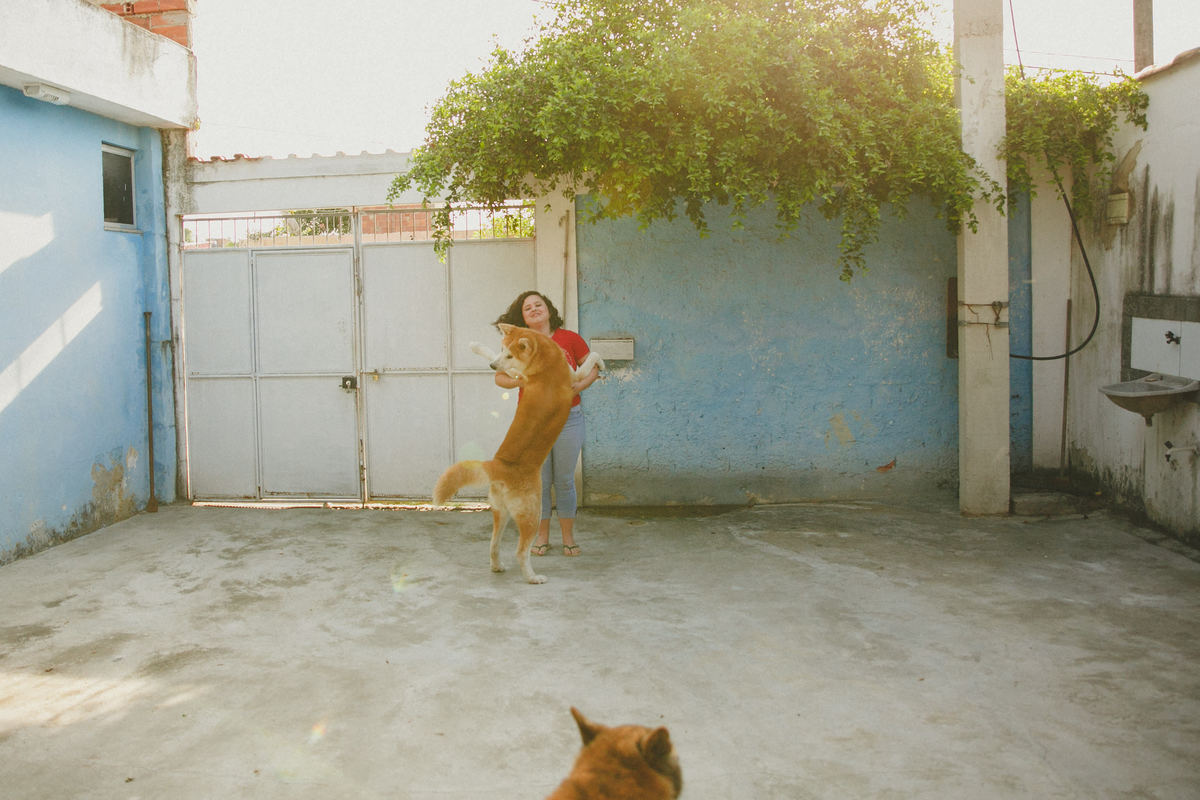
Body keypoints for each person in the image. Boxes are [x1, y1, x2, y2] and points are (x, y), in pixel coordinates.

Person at [492, 290, 599, 557]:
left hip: (568, 419)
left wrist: (575, 390)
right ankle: (541, 537)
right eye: (528, 308)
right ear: (523, 318)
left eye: (538, 305)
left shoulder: (570, 339)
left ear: (548, 310)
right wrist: (521, 381)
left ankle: (568, 537)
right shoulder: (518, 341)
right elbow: (500, 378)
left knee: (564, 481)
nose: (534, 309)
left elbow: (593, 369)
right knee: (540, 482)